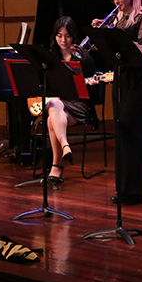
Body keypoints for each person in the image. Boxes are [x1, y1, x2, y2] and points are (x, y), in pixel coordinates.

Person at [92, 0, 142, 205]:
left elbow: (140, 47)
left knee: (133, 127)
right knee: (121, 127)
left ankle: (136, 189)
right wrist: (102, 34)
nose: (116, 1)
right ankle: (124, 188)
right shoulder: (118, 18)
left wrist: (114, 35)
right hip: (121, 76)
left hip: (139, 77)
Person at [43, 16, 100, 184]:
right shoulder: (50, 58)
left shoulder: (84, 59)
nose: (63, 40)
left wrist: (91, 83)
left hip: (78, 105)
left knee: (50, 118)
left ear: (73, 36)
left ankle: (56, 166)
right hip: (58, 105)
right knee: (54, 105)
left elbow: (91, 92)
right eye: (59, 35)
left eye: (67, 35)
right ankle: (65, 146)